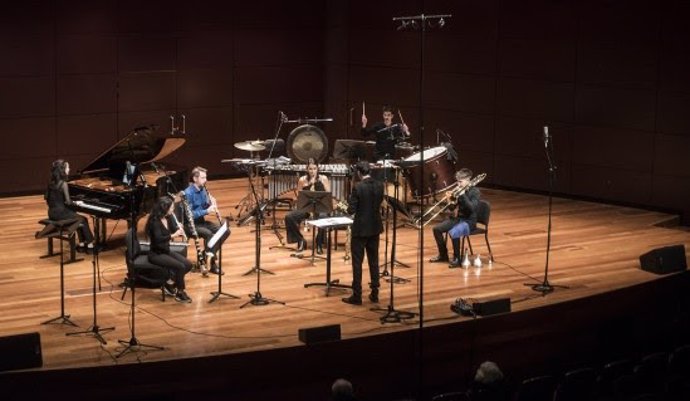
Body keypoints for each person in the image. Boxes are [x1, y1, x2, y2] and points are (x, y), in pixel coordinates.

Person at [342, 161, 384, 305]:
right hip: (375, 228)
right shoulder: (380, 185)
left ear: (359, 173)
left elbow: (351, 210)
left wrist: (348, 204)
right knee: (374, 261)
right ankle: (375, 293)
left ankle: (357, 295)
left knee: (357, 263)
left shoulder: (357, 187)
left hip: (360, 230)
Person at [146, 196, 193, 303]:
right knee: (180, 267)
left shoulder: (168, 217)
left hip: (165, 250)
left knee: (188, 265)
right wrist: (174, 235)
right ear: (164, 208)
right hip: (156, 254)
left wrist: (179, 228)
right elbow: (158, 239)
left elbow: (172, 229)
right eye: (171, 208)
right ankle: (180, 293)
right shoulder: (154, 221)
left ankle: (169, 284)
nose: (173, 210)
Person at [429, 168, 480, 267]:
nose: (458, 184)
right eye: (457, 182)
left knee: (454, 232)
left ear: (468, 180)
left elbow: (472, 209)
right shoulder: (460, 191)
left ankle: (457, 258)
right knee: (437, 229)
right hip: (459, 219)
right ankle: (443, 255)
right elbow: (452, 209)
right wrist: (450, 201)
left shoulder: (475, 192)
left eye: (460, 182)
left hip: (469, 221)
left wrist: (463, 195)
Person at [45, 159, 94, 249]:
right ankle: (90, 244)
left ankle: (82, 243)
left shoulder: (50, 183)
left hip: (51, 213)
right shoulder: (63, 184)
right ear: (62, 170)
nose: (69, 169)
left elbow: (47, 199)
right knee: (83, 219)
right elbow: (68, 202)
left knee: (78, 217)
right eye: (68, 167)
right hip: (61, 213)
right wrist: (77, 202)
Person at [285, 158, 330, 254]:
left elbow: (328, 196)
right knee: (289, 217)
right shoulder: (302, 180)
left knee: (323, 216)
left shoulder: (324, 178)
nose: (312, 171)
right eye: (310, 169)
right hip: (306, 208)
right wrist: (309, 185)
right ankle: (300, 240)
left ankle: (318, 242)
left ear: (318, 169)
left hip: (319, 207)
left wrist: (318, 185)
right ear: (307, 169)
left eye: (314, 169)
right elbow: (299, 197)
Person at [183, 166, 222, 274]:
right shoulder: (188, 193)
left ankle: (207, 253)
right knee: (209, 234)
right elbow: (189, 215)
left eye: (206, 177)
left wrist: (211, 204)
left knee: (222, 230)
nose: (206, 180)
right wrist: (207, 211)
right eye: (203, 178)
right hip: (190, 225)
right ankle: (213, 264)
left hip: (201, 222)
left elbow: (204, 205)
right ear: (195, 179)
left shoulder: (203, 189)